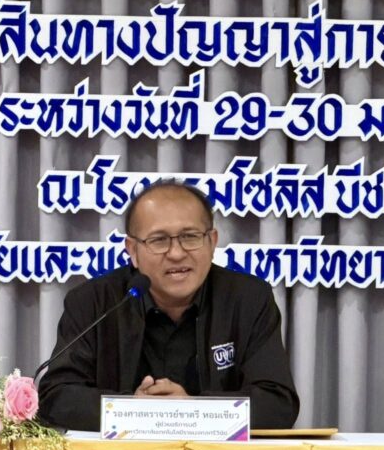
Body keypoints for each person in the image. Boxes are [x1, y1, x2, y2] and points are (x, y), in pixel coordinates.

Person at [37, 180, 299, 431]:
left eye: (190, 236)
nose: (176, 253)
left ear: (212, 242)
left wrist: (191, 410)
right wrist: (132, 410)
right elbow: (57, 397)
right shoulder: (94, 302)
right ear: (132, 250)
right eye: (159, 240)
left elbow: (277, 404)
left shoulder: (248, 299)